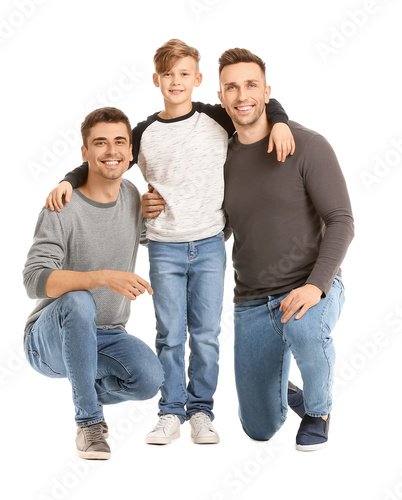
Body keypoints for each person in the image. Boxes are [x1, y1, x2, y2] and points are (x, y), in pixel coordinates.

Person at [44, 39, 297, 446]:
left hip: (211, 244)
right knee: (171, 334)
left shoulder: (218, 118)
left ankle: (201, 411)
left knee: (207, 333)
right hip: (164, 247)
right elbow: (106, 159)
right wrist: (66, 180)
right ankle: (170, 412)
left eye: (184, 74)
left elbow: (258, 109)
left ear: (198, 80)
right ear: (156, 80)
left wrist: (281, 121)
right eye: (168, 75)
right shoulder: (144, 133)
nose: (176, 82)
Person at [216, 48, 355, 451]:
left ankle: (318, 408)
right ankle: (288, 389)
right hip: (252, 301)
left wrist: (317, 286)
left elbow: (343, 221)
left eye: (251, 85)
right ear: (222, 97)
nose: (242, 95)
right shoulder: (220, 157)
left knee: (303, 328)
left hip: (310, 286)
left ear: (267, 91)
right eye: (232, 87)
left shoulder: (308, 145)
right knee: (258, 428)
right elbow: (221, 226)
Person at [23, 107, 164, 460]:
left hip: (109, 333)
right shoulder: (62, 206)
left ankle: (83, 381)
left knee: (150, 379)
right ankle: (89, 423)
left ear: (130, 153)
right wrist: (100, 277)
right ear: (85, 153)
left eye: (120, 142)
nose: (111, 151)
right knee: (79, 300)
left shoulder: (132, 196)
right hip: (47, 339)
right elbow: (34, 280)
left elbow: (157, 236)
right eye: (100, 143)